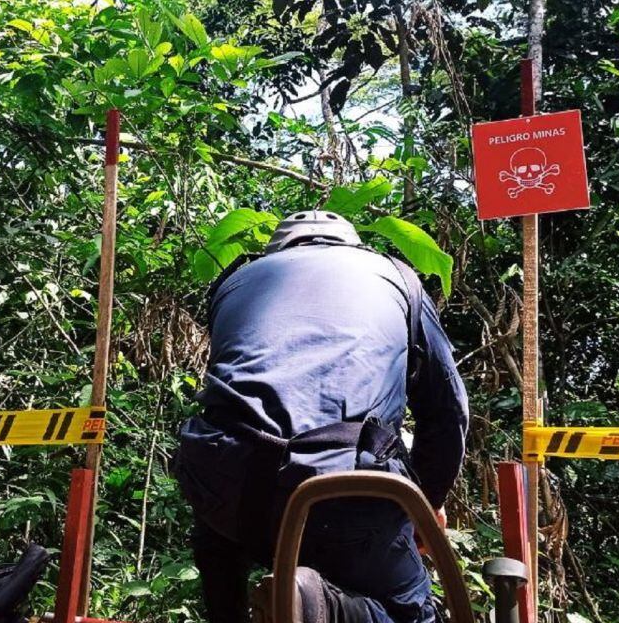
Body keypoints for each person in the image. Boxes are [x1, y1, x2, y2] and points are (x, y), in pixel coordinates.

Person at [174, 210, 469, 623]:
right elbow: (447, 410)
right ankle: (325, 609)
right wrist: (424, 505)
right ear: (351, 245)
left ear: (278, 248)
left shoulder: (234, 281)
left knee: (217, 533)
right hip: (348, 483)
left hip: (230, 484)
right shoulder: (397, 278)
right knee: (409, 612)